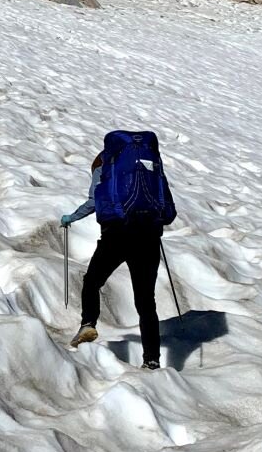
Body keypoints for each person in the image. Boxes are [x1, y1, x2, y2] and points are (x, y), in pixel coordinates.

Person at [61, 130, 177, 370]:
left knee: (93, 281)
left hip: (117, 234)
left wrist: (71, 217)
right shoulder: (147, 164)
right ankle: (152, 360)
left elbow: (95, 201)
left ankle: (88, 324)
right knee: (146, 301)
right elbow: (166, 206)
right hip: (148, 237)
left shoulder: (105, 163)